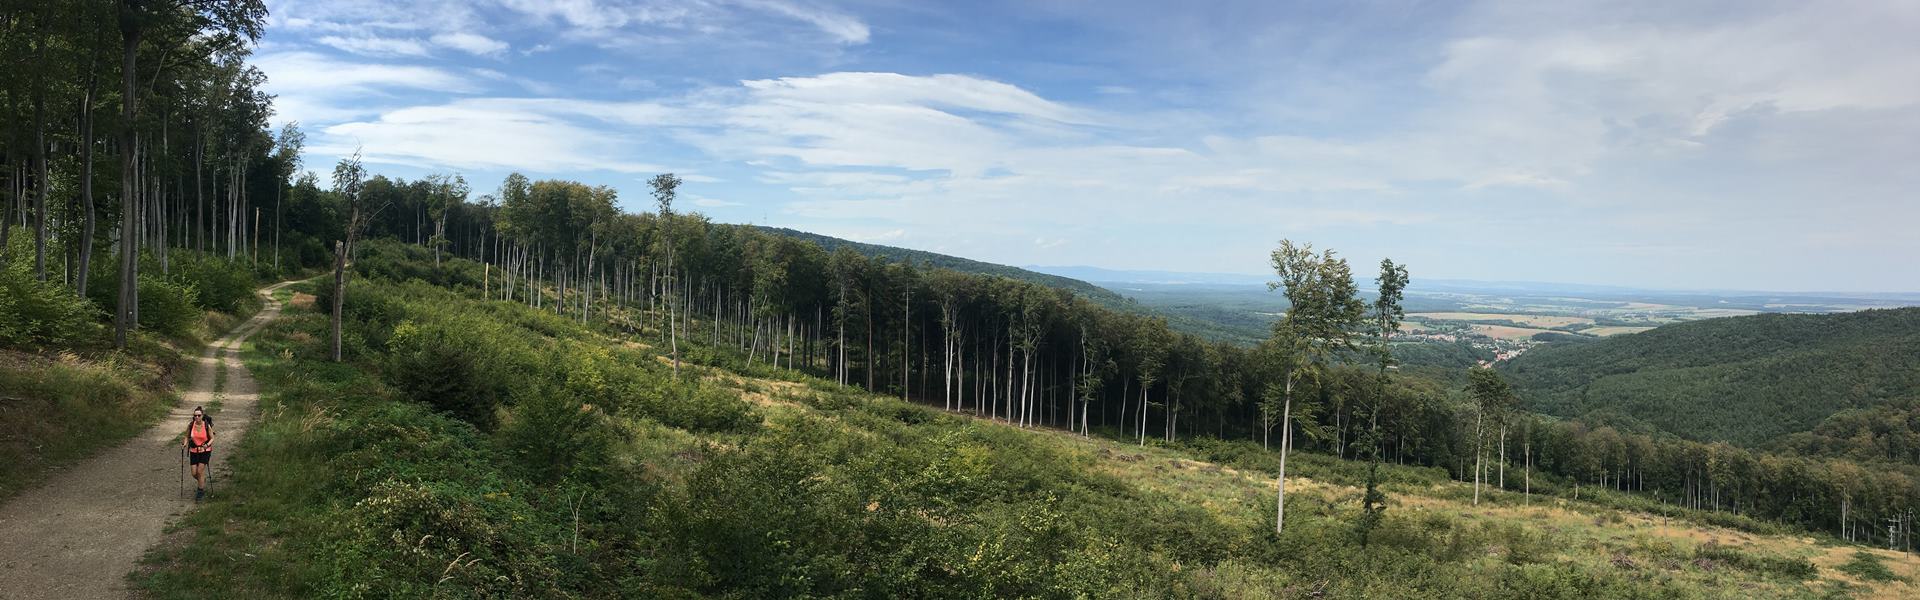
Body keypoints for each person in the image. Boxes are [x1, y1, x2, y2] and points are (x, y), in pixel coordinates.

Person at [184, 407, 214, 501]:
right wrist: (184, 443)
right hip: (193, 451)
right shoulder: (191, 425)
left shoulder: (206, 425)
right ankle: (202, 481)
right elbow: (186, 436)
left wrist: (207, 445)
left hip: (205, 451)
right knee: (194, 473)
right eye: (195, 415)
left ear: (202, 416)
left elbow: (212, 438)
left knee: (200, 471)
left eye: (199, 415)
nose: (197, 417)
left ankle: (200, 492)